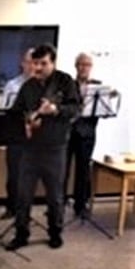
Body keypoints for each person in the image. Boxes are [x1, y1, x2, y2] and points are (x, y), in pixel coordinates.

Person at [6, 44, 80, 250]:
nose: (38, 67)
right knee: (23, 195)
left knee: (55, 196)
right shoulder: (28, 86)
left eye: (43, 63)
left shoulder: (65, 82)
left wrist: (56, 109)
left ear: (53, 63)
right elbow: (16, 113)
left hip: (55, 148)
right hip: (30, 149)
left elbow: (76, 109)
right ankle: (21, 234)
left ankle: (55, 233)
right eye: (35, 63)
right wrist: (27, 122)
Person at [0, 48, 35, 220]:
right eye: (28, 62)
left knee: (30, 176)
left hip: (36, 138)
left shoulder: (41, 86)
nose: (32, 66)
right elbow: (4, 110)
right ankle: (11, 207)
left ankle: (25, 210)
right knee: (13, 175)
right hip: (15, 136)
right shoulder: (12, 85)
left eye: (35, 62)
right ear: (22, 63)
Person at [64, 53, 101, 218]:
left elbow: (102, 110)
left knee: (83, 170)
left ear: (90, 67)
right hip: (68, 132)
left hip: (86, 134)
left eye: (86, 64)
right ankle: (58, 202)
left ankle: (80, 205)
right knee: (62, 169)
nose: (83, 67)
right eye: (80, 64)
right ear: (75, 66)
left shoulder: (98, 87)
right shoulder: (68, 85)